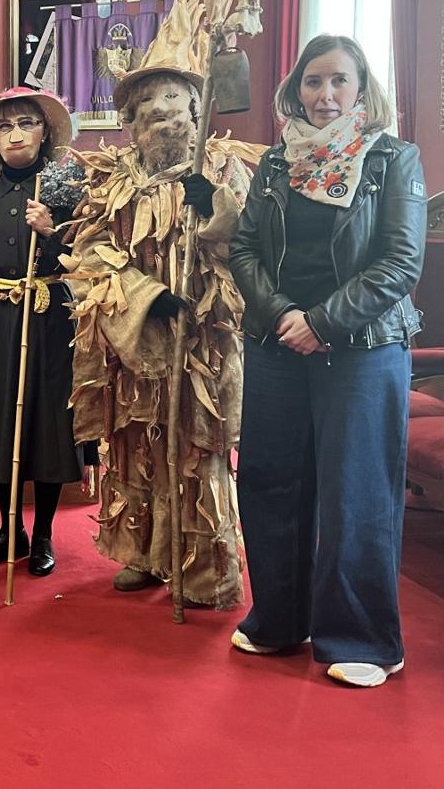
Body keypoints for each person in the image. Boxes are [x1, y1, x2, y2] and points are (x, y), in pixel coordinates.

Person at [229, 34, 425, 687]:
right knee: (269, 479)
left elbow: (401, 260)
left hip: (363, 349)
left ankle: (365, 639)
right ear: (296, 90)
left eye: (339, 81)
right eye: (313, 82)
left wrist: (322, 322)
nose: (325, 95)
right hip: (277, 343)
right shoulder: (276, 164)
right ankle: (281, 619)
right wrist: (284, 314)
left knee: (357, 492)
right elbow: (245, 250)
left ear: (362, 90)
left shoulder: (393, 159)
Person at [61, 0, 262, 609]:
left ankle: (203, 569)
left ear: (198, 107)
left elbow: (252, 246)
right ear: (130, 119)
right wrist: (147, 297)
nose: (165, 114)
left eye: (176, 102)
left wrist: (218, 213)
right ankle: (145, 554)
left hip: (202, 341)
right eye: (150, 103)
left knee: (195, 449)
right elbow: (88, 257)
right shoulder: (111, 183)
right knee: (135, 445)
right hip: (138, 339)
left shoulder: (225, 168)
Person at [0, 87, 89, 576]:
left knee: (45, 428)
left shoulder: (65, 187)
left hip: (46, 315)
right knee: (0, 425)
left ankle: (44, 533)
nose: (14, 135)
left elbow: (88, 259)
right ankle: (10, 529)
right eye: (4, 126)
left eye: (25, 123)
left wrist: (53, 232)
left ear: (43, 130)